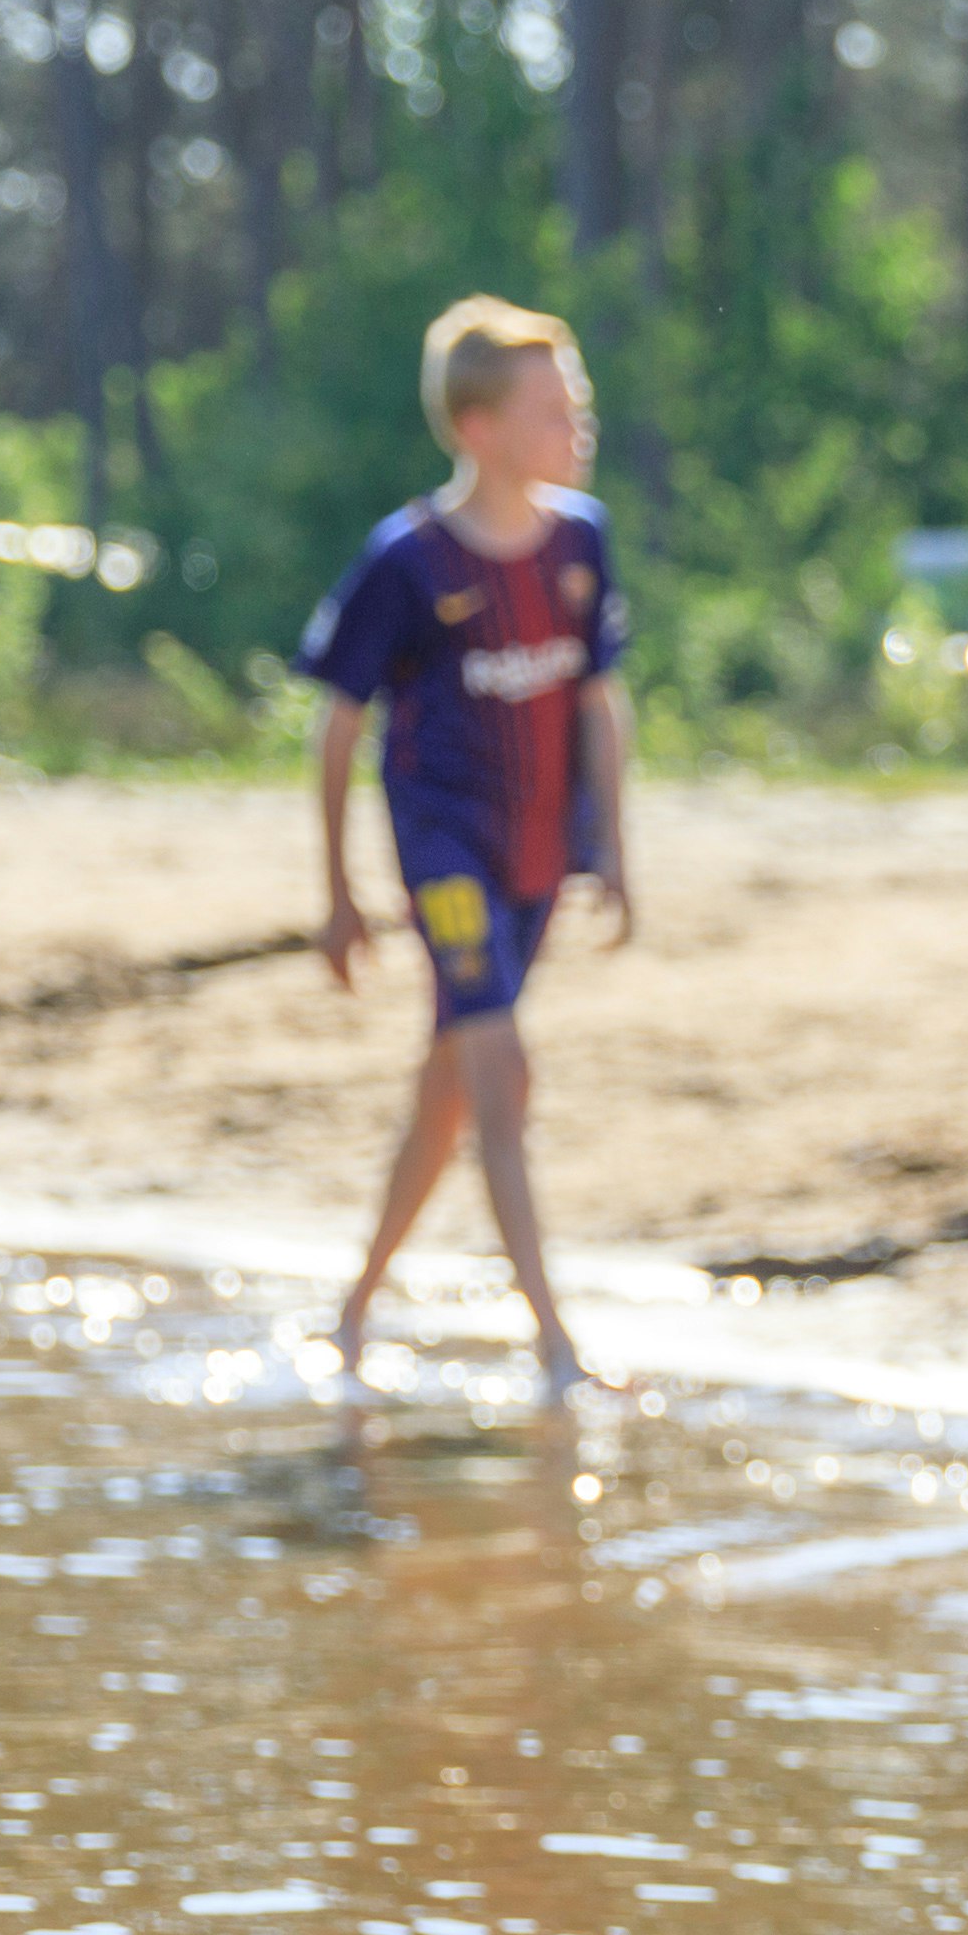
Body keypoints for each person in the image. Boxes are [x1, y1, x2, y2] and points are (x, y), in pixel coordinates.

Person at [297, 293, 638, 1393]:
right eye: (552, 410)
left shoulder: (581, 540)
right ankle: (556, 1348)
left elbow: (600, 702)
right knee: (502, 1069)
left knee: (449, 1087)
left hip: (539, 858)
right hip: (444, 857)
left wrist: (615, 848)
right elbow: (337, 723)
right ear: (479, 428)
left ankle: (354, 1314)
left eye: (577, 403)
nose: (578, 424)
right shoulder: (408, 560)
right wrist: (338, 893)